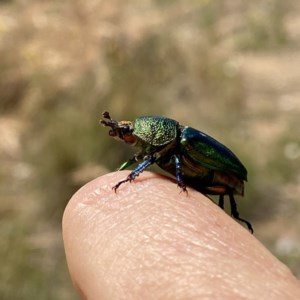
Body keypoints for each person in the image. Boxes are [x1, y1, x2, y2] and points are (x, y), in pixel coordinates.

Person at [63, 171, 300, 299]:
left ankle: (234, 213)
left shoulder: (176, 147)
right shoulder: (161, 147)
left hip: (222, 173)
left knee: (222, 185)